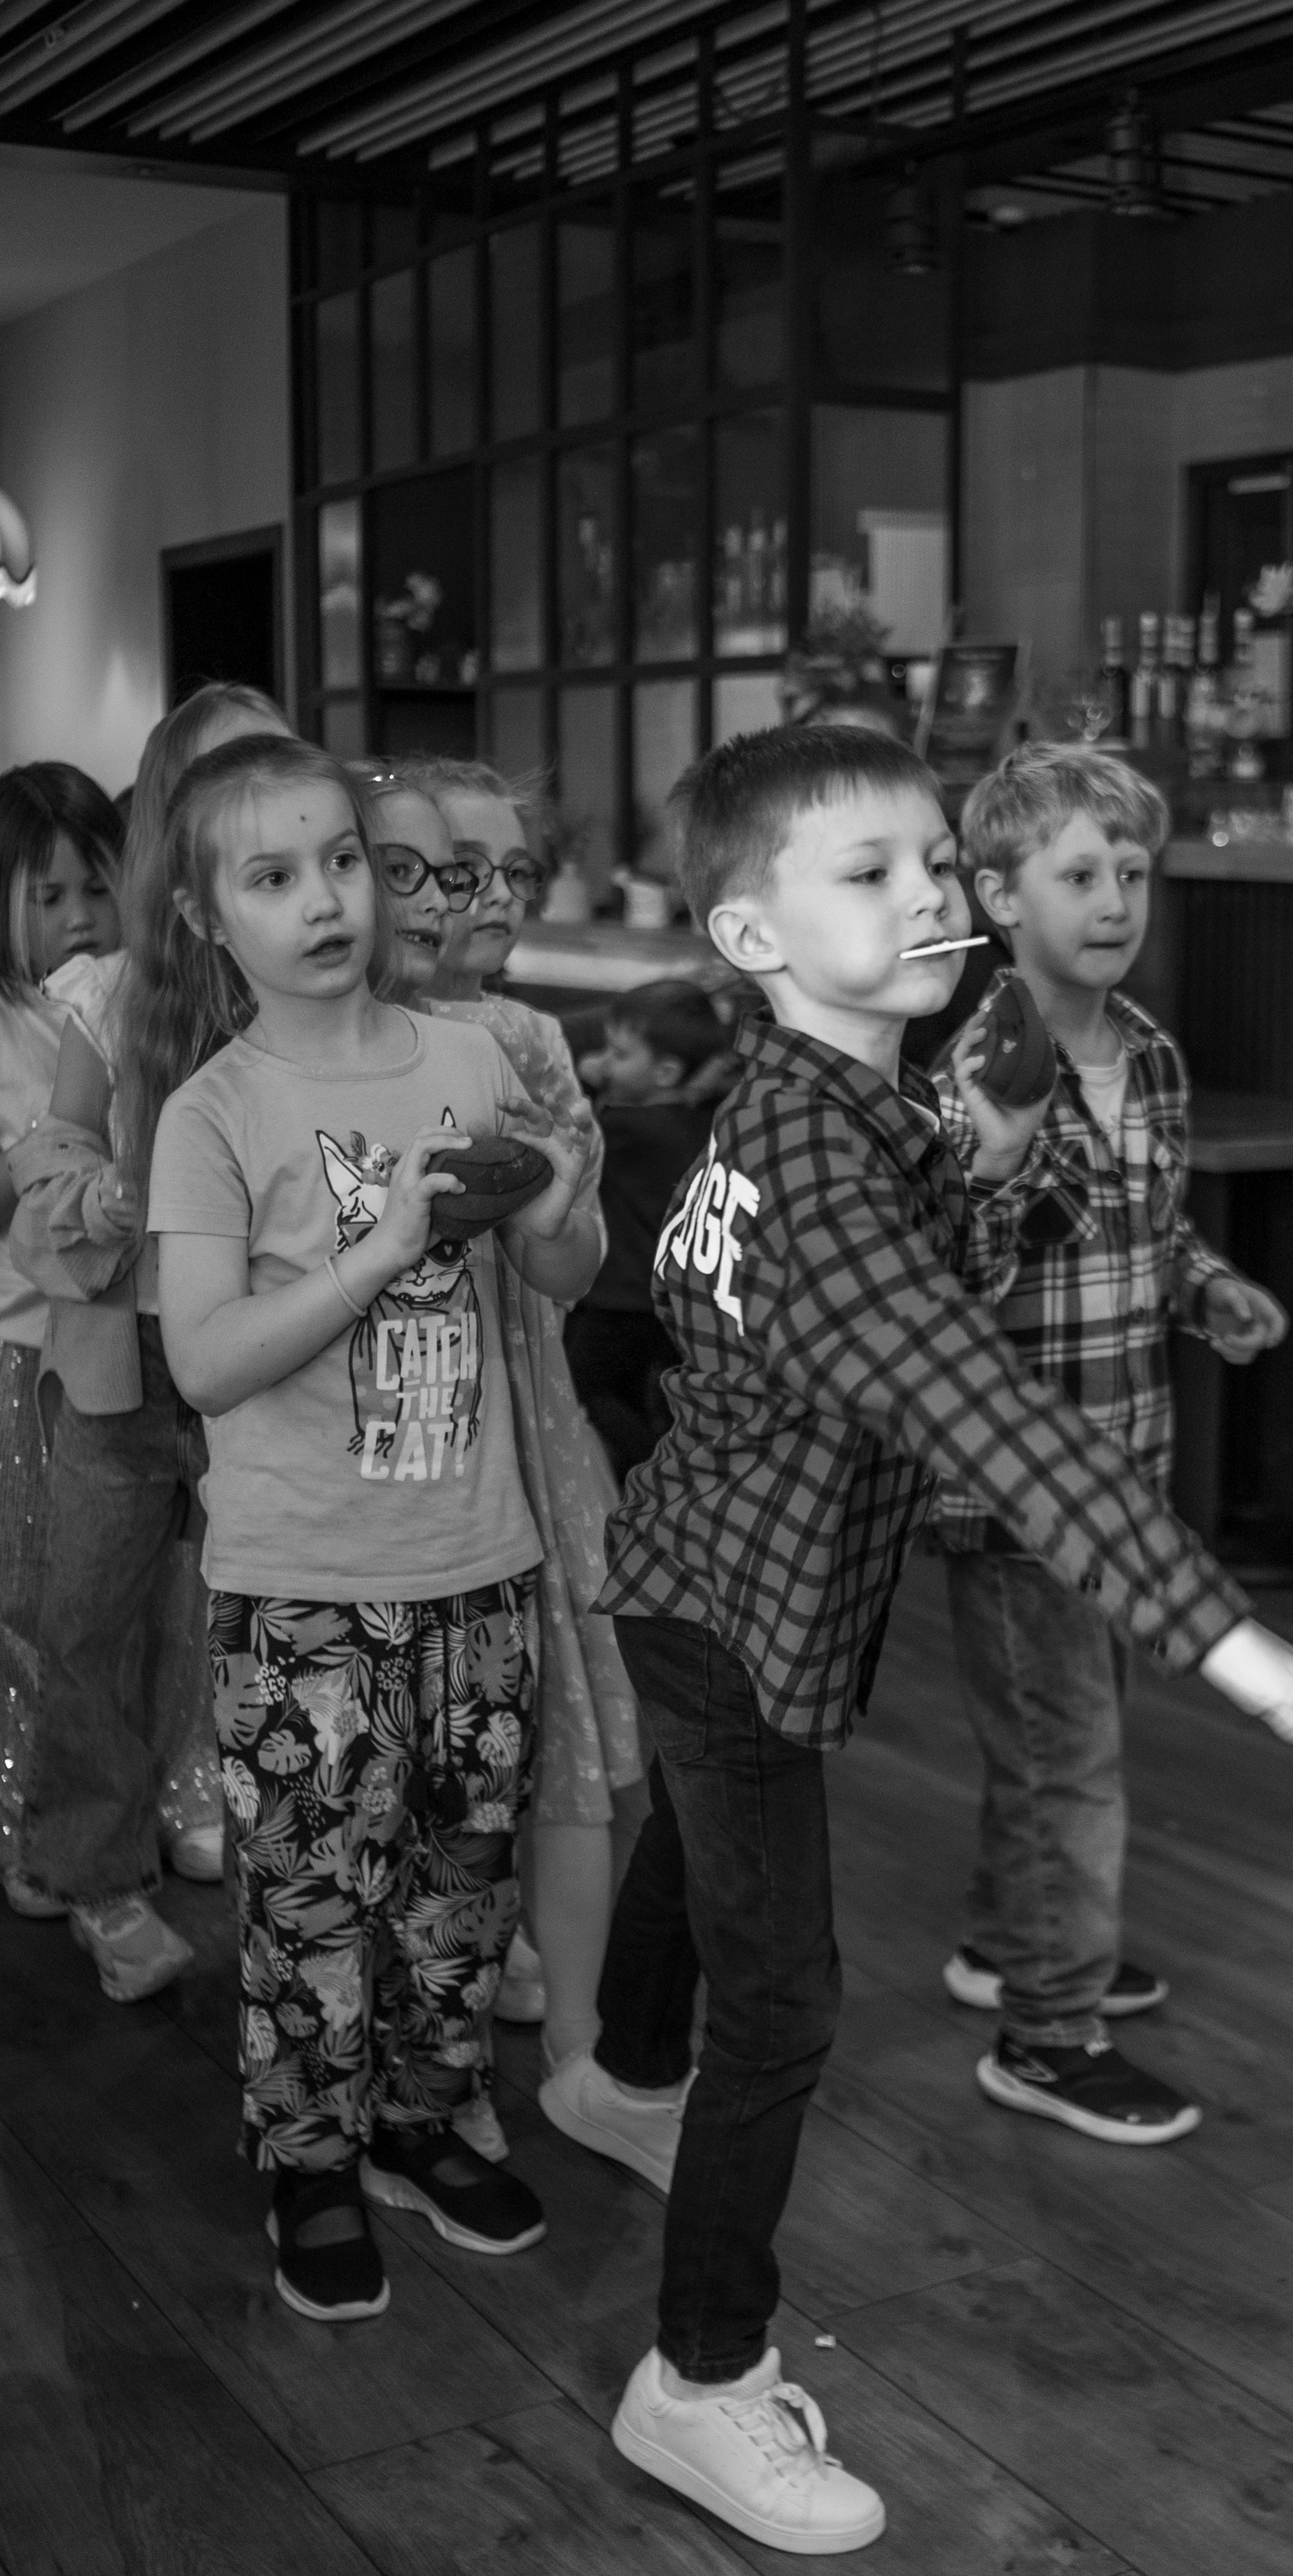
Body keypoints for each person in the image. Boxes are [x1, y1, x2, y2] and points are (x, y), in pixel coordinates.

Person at [584, 723, 1293, 2555]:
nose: (927, 897)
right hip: (730, 1609)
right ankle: (700, 2378)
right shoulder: (820, 1163)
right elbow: (988, 1414)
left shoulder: (829, 1104)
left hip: (704, 1584)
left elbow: (888, 1286)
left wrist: (990, 1158)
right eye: (867, 873)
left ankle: (616, 2068)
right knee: (786, 1999)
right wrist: (1230, 1642)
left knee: (699, 1839)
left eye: (931, 863)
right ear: (750, 937)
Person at [139, 732, 593, 2324]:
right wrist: (381, 1244)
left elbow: (558, 1274)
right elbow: (206, 1359)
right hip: (300, 1586)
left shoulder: (466, 1058)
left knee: (461, 1882)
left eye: (341, 859)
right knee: (310, 1895)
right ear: (207, 917)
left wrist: (560, 1205)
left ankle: (422, 2117)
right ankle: (311, 2157)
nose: (325, 899)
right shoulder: (212, 1111)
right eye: (273, 877)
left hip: (479, 1560)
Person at [931, 741, 1291, 2136]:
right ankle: (1047, 2030)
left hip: (1127, 1469)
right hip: (1019, 1489)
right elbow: (951, 1275)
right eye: (1079, 874)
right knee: (1067, 1756)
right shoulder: (979, 1074)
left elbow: (1155, 1231)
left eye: (1132, 873)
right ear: (998, 896)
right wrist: (1000, 1160)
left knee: (1063, 1733)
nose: (1115, 901)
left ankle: (1009, 1939)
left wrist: (1208, 1290)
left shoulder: (1148, 1053)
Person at [8, 685, 289, 1997]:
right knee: (89, 1620)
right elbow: (54, 1146)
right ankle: (93, 1870)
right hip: (126, 1356)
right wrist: (104, 1188)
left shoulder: (312, 981)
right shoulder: (112, 990)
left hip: (272, 1358)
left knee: (256, 1614)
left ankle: (273, 1833)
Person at [393, 755, 647, 2118]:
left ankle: (582, 2050)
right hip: (398, 1441)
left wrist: (555, 1201)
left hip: (529, 1425)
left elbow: (571, 1262)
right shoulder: (342, 1040)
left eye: (510, 869)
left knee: (568, 1739)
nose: (487, 895)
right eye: (451, 869)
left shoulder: (529, 1039)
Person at [0, 764, 123, 1917]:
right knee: (31, 1591)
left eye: (99, 886)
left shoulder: (128, 1007)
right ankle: (28, 1799)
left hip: (110, 1350)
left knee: (113, 1598)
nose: (80, 918)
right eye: (49, 895)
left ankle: (141, 1792)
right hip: (19, 1352)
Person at [566, 977, 730, 1479]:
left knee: (586, 1389)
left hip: (617, 1297)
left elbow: (574, 1138)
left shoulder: (624, 1127)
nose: (603, 1061)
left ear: (665, 1072)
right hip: (664, 1298)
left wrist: (588, 1080)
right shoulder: (698, 1123)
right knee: (639, 1394)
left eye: (619, 1054)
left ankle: (655, 1474)